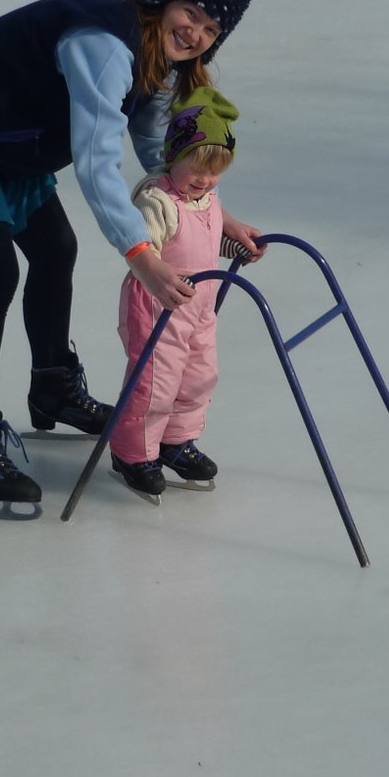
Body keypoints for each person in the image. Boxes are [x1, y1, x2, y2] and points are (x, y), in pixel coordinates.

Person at [0, 0, 263, 509]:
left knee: (55, 249)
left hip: (10, 138)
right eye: (192, 13)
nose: (196, 33)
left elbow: (155, 142)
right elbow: (96, 160)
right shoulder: (105, 45)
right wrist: (141, 254)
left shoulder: (159, 58)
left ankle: (52, 386)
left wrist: (214, 210)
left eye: (212, 29)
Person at [109, 87, 244, 499]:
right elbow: (144, 249)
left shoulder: (207, 198)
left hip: (199, 306)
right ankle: (133, 454)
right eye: (196, 167)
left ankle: (175, 441)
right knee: (156, 382)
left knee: (199, 376)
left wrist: (237, 245)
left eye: (215, 171)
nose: (204, 179)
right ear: (173, 155)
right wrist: (155, 268)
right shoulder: (159, 200)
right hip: (157, 305)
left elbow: (206, 242)